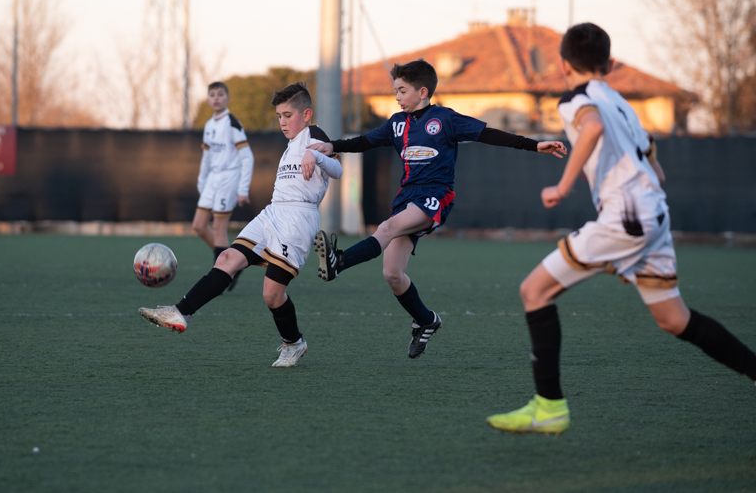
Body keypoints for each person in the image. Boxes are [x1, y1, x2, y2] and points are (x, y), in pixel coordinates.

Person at [486, 23, 756, 436]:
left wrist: (562, 186)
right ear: (610, 64)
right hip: (654, 214)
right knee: (675, 319)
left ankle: (549, 407)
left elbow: (592, 127)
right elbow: (654, 163)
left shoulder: (576, 99)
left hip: (625, 218)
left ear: (563, 65)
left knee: (533, 291)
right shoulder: (620, 102)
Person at [308, 59, 567, 359]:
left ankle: (339, 262)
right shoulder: (396, 123)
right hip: (406, 197)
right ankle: (426, 320)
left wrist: (534, 145)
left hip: (435, 195)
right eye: (395, 90)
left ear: (422, 92)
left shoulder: (445, 118)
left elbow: (489, 134)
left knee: (387, 228)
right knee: (392, 274)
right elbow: (365, 141)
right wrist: (333, 146)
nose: (397, 96)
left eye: (402, 91)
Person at [139, 82, 343, 367]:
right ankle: (180, 312)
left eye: (288, 115)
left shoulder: (314, 135)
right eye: (279, 116)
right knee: (227, 258)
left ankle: (294, 343)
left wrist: (317, 155)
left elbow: (338, 170)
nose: (283, 122)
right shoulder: (291, 144)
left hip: (298, 219)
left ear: (306, 114)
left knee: (272, 294)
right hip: (272, 212)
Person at [194, 81, 254, 290]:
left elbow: (247, 157)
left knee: (219, 227)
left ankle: (218, 277)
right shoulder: (209, 125)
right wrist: (202, 182)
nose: (216, 98)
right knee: (199, 225)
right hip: (212, 179)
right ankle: (232, 263)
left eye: (220, 94)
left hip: (229, 178)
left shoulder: (232, 123)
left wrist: (243, 189)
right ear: (208, 99)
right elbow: (206, 157)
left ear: (228, 98)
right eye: (212, 95)